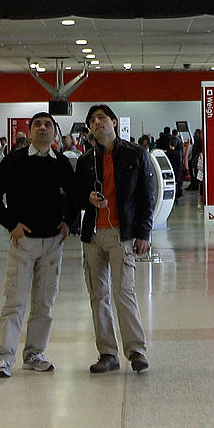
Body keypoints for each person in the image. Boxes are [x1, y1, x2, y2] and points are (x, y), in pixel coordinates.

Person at [0, 112, 79, 378]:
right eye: (37, 124)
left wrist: (68, 222)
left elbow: (75, 195)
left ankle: (34, 353)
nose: (43, 129)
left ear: (55, 133)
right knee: (15, 301)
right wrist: (10, 223)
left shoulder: (60, 162)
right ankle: (4, 357)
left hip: (52, 244)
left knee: (44, 303)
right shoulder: (14, 161)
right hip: (23, 243)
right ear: (29, 130)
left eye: (48, 125)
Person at [76, 104, 156, 374]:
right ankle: (107, 353)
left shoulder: (136, 154)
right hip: (93, 235)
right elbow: (76, 195)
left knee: (124, 293)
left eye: (101, 118)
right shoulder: (86, 160)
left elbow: (147, 195)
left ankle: (136, 350)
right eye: (92, 120)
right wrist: (87, 198)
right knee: (98, 296)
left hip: (122, 233)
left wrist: (144, 233)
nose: (96, 123)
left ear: (113, 121)